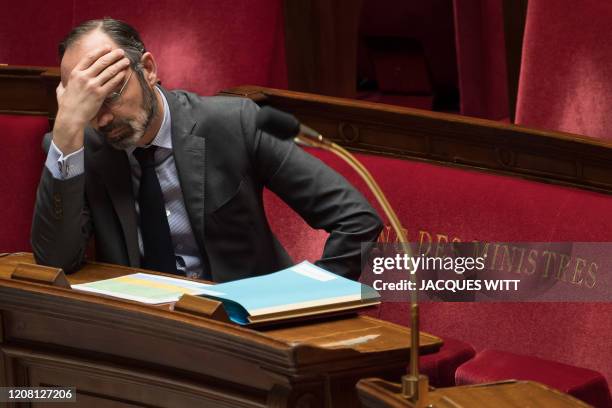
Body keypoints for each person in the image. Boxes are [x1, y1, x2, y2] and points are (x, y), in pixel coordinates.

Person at [31, 18, 383, 282]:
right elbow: (55, 260)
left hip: (245, 332)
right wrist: (65, 134)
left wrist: (307, 299)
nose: (103, 117)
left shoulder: (235, 124)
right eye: (88, 104)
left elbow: (357, 221)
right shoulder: (75, 147)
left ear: (148, 70)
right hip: (144, 336)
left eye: (112, 94)